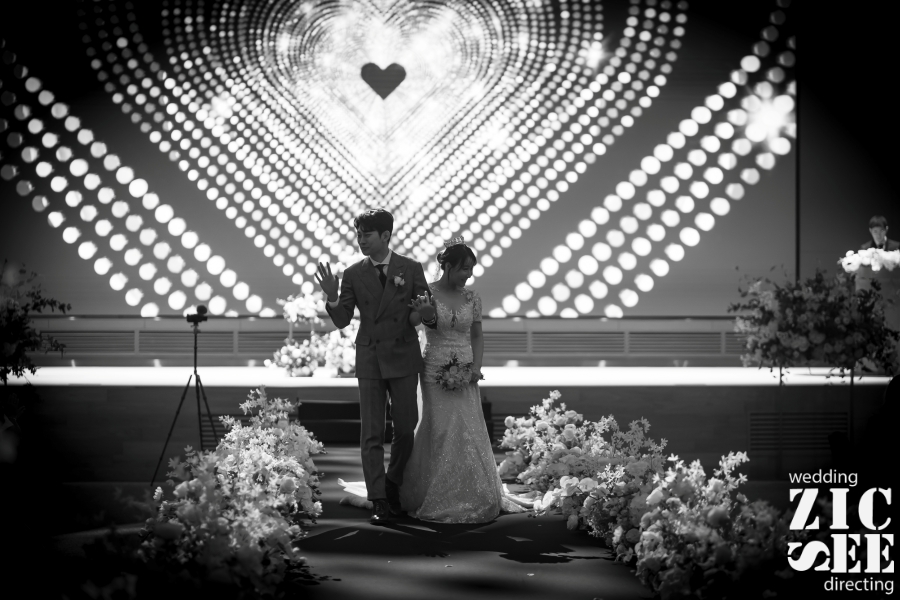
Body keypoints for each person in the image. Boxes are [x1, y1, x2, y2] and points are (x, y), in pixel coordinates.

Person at [399, 237, 527, 522]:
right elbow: (411, 322)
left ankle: (472, 490)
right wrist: (424, 314)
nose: (468, 274)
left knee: (469, 426)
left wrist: (476, 367)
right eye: (464, 268)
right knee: (440, 427)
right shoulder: (427, 292)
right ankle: (436, 490)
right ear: (447, 266)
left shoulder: (473, 298)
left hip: (466, 368)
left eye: (471, 269)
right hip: (433, 367)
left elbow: (477, 335)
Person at [315, 208, 429, 525]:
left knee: (406, 428)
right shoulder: (353, 273)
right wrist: (332, 297)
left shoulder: (411, 268)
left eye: (366, 234)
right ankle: (378, 497)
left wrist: (423, 313)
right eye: (358, 234)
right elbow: (342, 320)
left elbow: (422, 314)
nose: (361, 240)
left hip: (403, 355)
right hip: (370, 357)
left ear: (385, 236)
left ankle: (392, 481)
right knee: (372, 433)